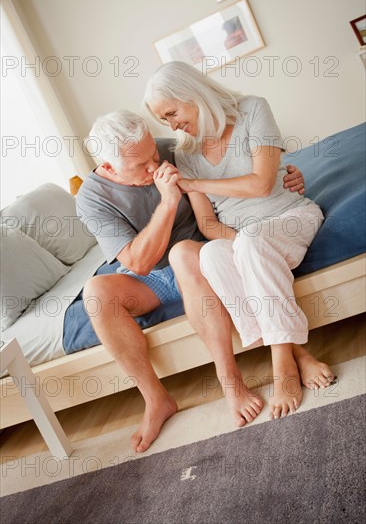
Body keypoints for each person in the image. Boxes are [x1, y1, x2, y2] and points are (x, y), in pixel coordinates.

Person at [76, 109, 306, 453]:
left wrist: (289, 176)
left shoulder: (175, 150)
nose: (155, 166)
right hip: (150, 277)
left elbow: (246, 171)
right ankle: (156, 400)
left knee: (182, 251)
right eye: (141, 166)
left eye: (154, 153)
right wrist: (168, 203)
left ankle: (232, 382)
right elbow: (138, 263)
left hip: (199, 258)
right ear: (109, 168)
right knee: (95, 292)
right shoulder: (92, 198)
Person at [144, 60, 334, 421]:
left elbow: (262, 183)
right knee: (213, 254)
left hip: (289, 219)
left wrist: (196, 184)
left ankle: (284, 367)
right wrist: (246, 243)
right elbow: (207, 222)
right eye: (163, 120)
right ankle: (297, 352)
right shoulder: (186, 152)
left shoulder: (253, 110)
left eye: (172, 113)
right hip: (246, 239)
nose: (171, 125)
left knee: (248, 244)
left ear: (192, 94)